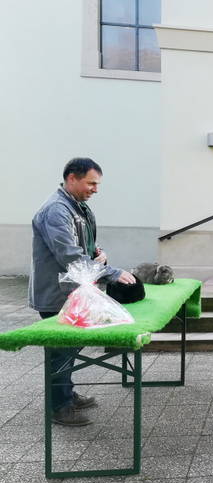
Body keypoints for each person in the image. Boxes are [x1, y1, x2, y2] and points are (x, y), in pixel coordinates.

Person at [29, 157, 135, 426]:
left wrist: (97, 252)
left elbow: (83, 246)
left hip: (73, 292)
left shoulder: (77, 207)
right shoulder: (56, 210)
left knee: (70, 348)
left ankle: (66, 394)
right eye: (91, 183)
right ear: (72, 178)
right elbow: (70, 256)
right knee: (62, 350)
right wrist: (111, 272)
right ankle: (60, 407)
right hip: (57, 295)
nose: (95, 189)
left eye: (97, 184)